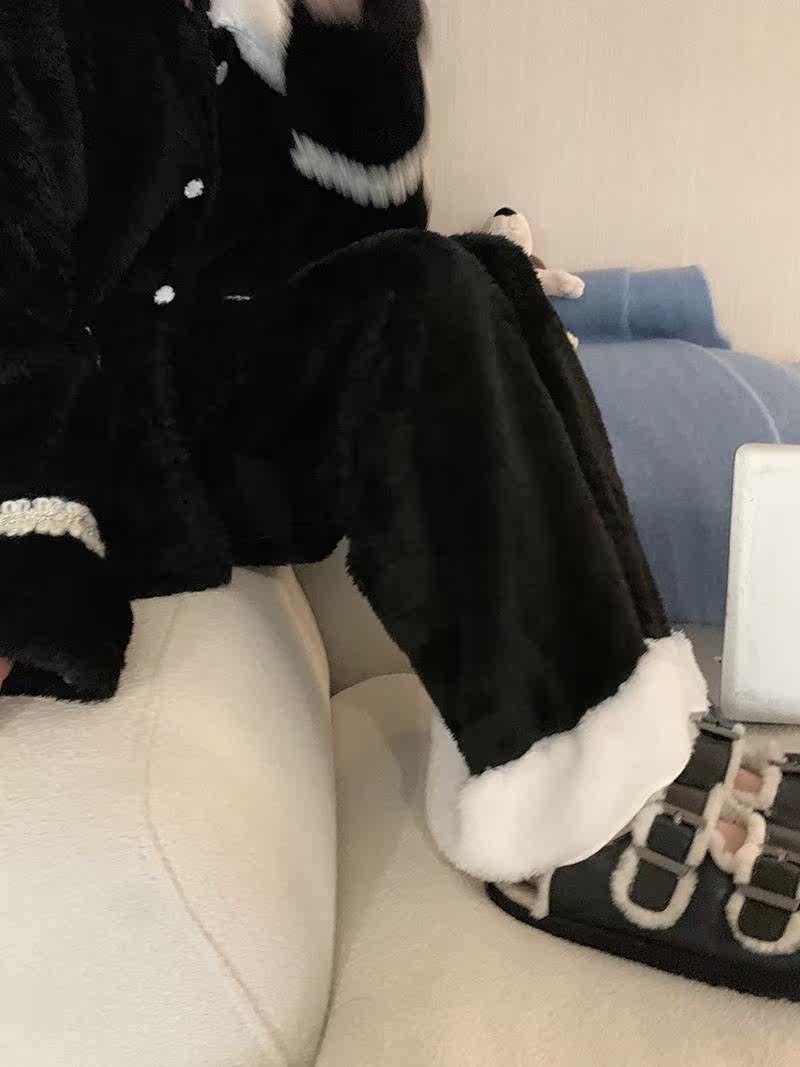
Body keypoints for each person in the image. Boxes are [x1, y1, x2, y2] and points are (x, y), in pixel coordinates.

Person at [1, 0, 799, 999]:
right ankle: (569, 809)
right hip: (90, 454)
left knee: (476, 271)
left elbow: (356, 252)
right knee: (417, 290)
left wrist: (352, 41)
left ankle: (626, 726)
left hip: (198, 425)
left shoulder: (247, 26)